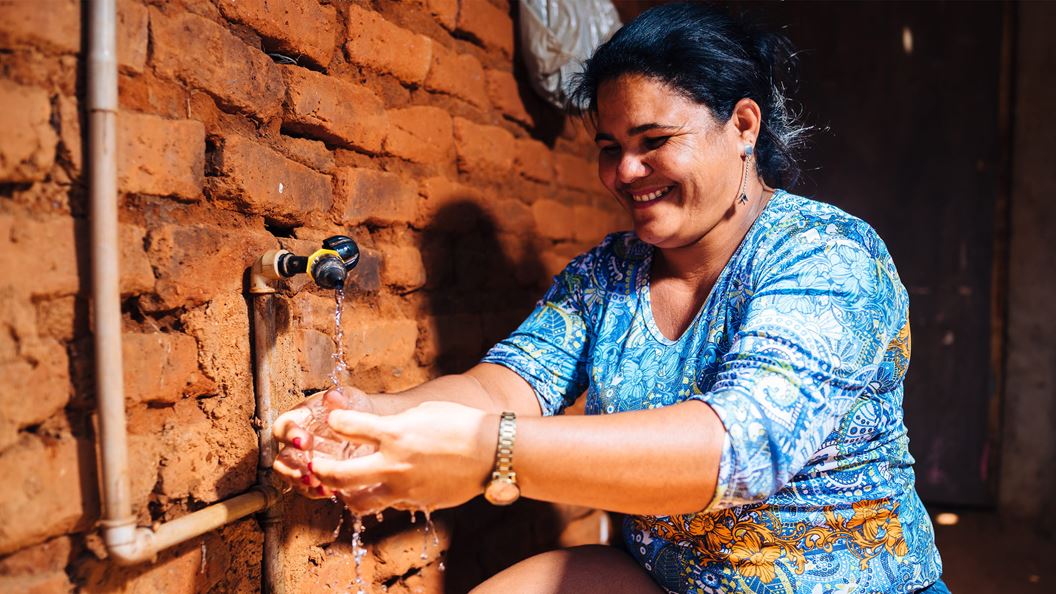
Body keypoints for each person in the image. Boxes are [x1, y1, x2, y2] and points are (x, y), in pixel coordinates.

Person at [272, 3, 947, 593]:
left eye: (654, 142)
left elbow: (734, 451)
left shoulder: (829, 255)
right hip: (665, 580)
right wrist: (371, 419)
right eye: (609, 147)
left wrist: (488, 452)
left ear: (743, 126)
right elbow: (505, 386)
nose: (625, 172)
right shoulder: (608, 274)